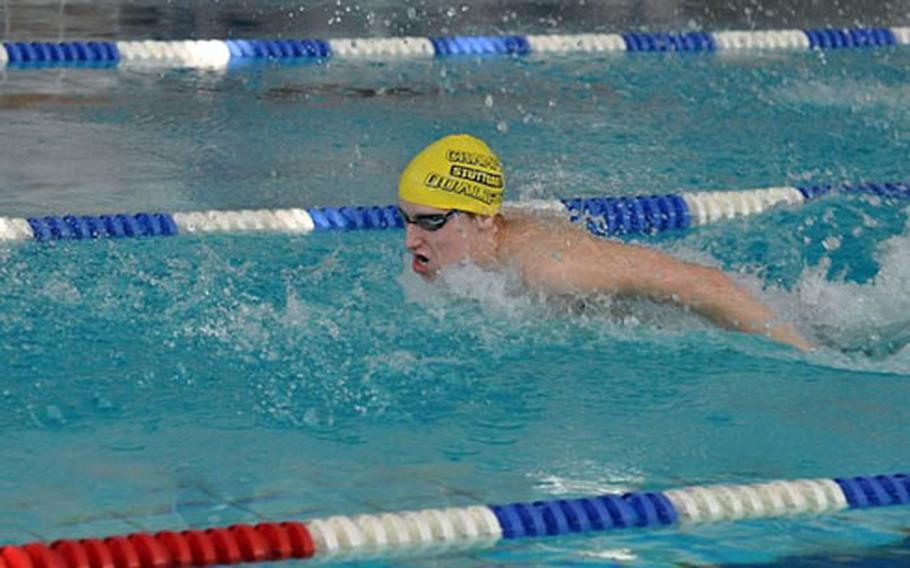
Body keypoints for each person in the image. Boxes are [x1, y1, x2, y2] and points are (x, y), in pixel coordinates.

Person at [397, 133, 813, 351]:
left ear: (485, 218)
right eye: (405, 221)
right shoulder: (473, 255)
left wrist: (805, 354)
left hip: (766, 321)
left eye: (429, 222)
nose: (410, 239)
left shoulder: (552, 269)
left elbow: (704, 284)